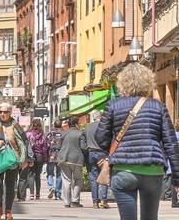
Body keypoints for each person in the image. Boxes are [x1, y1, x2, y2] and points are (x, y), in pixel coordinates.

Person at [95, 63, 179, 220]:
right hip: (152, 170)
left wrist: (114, 147)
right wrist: (177, 177)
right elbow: (171, 144)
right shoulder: (158, 107)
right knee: (150, 217)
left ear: (122, 83)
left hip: (123, 171)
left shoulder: (113, 106)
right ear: (148, 82)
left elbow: (100, 138)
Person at [0, 102, 28, 220]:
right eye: (0, 112)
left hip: (12, 160)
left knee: (10, 186)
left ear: (10, 113)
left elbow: (24, 142)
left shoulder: (15, 125)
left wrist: (24, 159)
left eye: (5, 112)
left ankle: (8, 210)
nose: (2, 114)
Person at [58, 116, 87, 208]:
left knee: (66, 180)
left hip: (64, 159)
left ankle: (67, 202)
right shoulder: (80, 133)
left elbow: (59, 147)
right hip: (77, 160)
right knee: (78, 180)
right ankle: (75, 201)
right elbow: (83, 147)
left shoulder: (63, 134)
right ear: (76, 124)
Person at [84, 110, 109, 209]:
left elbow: (84, 140)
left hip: (91, 153)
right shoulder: (104, 126)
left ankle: (95, 202)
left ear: (94, 117)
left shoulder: (87, 127)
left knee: (93, 178)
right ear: (101, 117)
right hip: (102, 153)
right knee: (103, 176)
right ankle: (103, 200)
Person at [26, 118, 48, 200]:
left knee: (31, 175)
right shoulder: (42, 135)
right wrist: (45, 159)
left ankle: (31, 194)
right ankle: (38, 194)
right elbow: (45, 148)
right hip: (40, 156)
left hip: (31, 156)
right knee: (37, 176)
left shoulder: (28, 135)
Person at [46, 120, 63, 200]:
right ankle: (58, 193)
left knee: (50, 173)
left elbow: (46, 145)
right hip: (60, 155)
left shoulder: (50, 134)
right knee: (59, 174)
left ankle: (51, 186)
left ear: (54, 125)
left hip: (51, 155)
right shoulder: (63, 134)